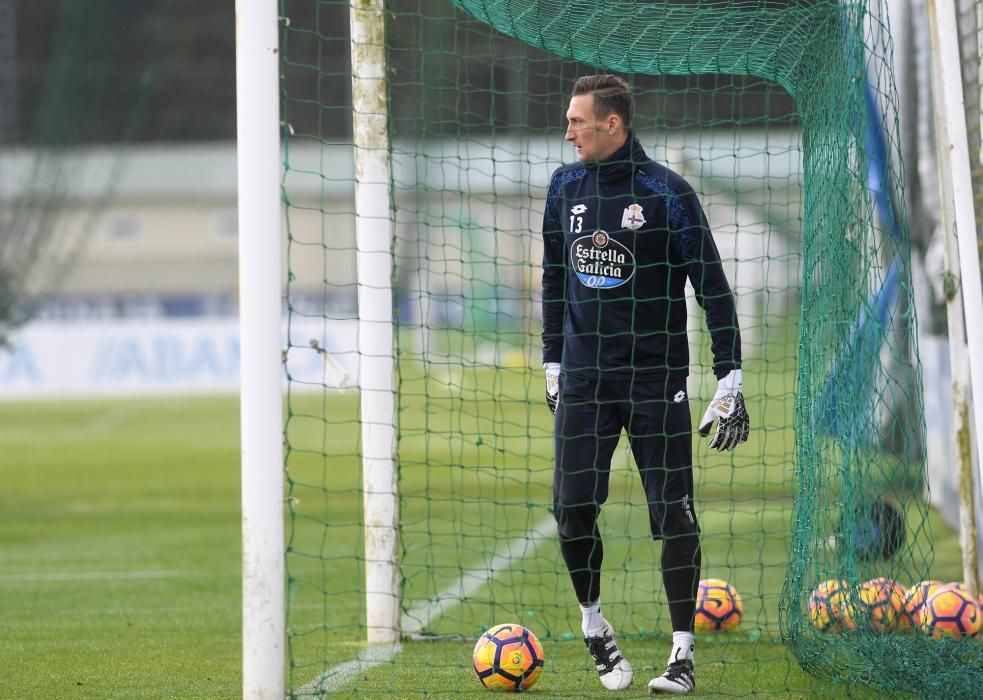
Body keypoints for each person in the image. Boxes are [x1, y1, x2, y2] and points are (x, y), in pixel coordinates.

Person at [540, 74, 750, 694]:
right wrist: (552, 359)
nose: (568, 131)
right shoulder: (562, 187)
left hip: (657, 381)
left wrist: (728, 373)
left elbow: (712, 286)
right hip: (583, 380)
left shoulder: (666, 192)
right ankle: (594, 625)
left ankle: (681, 656)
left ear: (613, 124)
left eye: (578, 121)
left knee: (674, 515)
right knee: (571, 510)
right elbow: (555, 278)